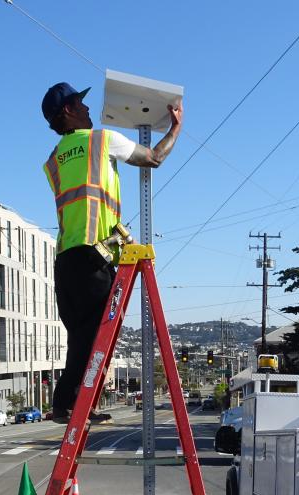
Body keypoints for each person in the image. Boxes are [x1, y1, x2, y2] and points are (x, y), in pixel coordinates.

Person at [41, 81, 183, 423]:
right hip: (94, 257)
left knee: (81, 337)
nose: (89, 109)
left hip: (64, 261)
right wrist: (177, 126)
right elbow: (154, 158)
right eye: (81, 103)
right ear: (68, 111)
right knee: (94, 337)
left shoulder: (53, 161)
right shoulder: (102, 140)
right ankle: (70, 407)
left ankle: (70, 405)